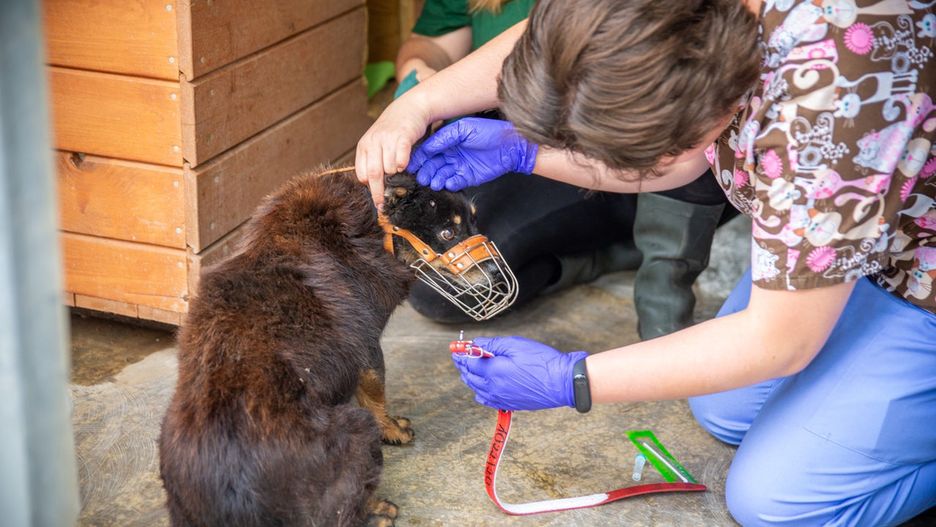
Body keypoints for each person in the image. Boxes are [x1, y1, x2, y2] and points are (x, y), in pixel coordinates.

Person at [357, 0, 936, 524]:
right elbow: (575, 32)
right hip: (857, 240)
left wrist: (574, 379)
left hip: (921, 274)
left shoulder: (827, 102)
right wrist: (437, 108)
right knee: (724, 408)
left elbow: (777, 341)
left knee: (778, 501)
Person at [391, 0, 737, 339]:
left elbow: (683, 152)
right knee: (439, 286)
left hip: (641, 141)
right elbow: (444, 42)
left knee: (674, 127)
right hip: (548, 145)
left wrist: (579, 381)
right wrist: (421, 86)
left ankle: (662, 298)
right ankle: (601, 258)